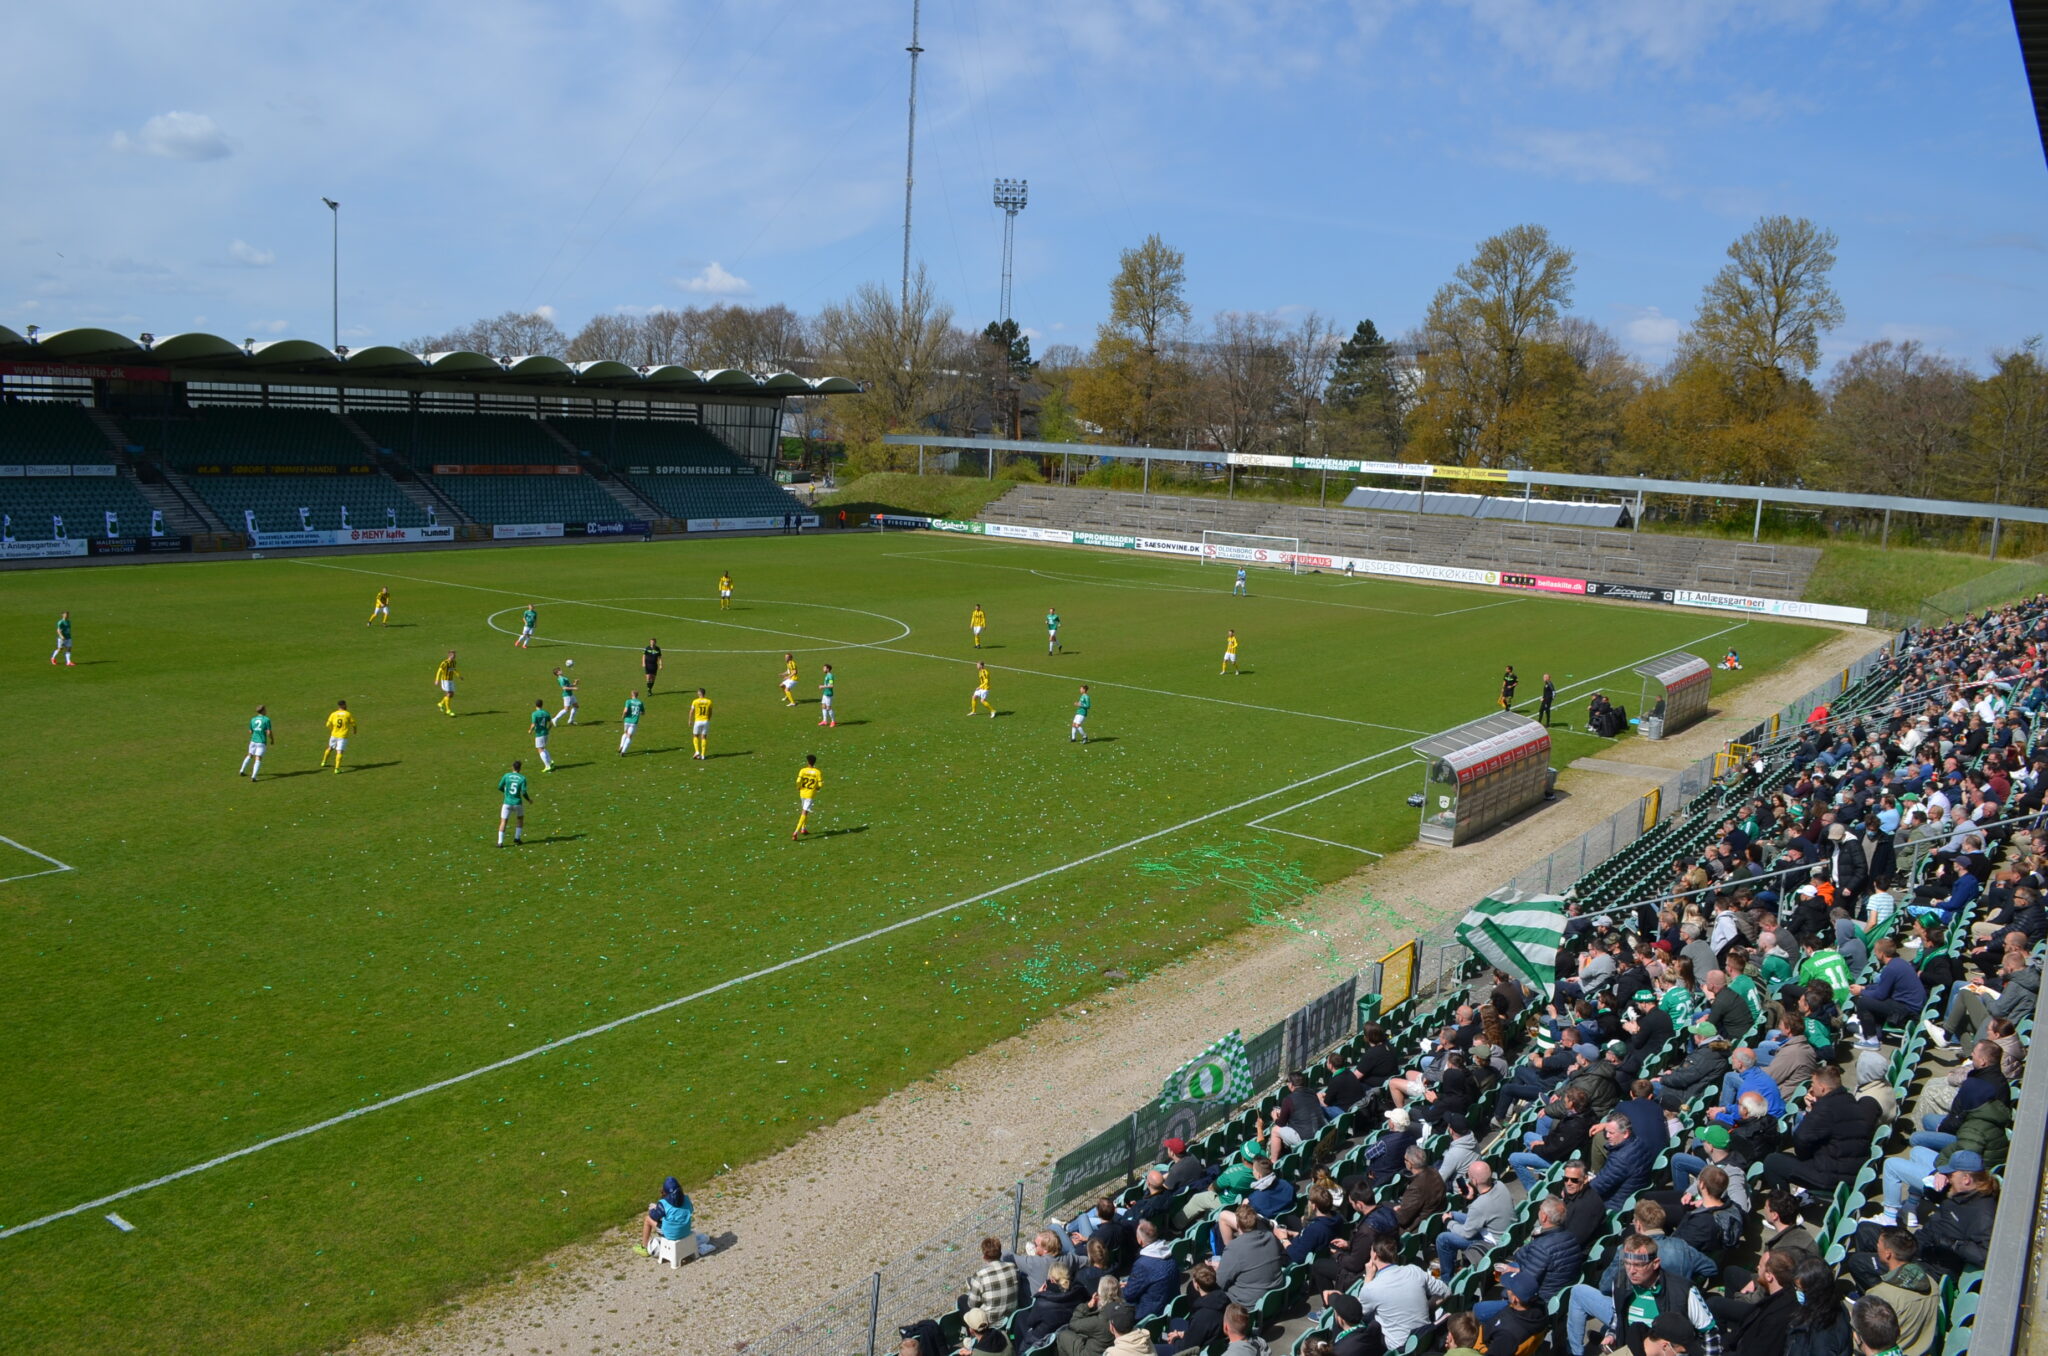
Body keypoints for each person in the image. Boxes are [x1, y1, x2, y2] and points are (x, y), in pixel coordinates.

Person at [1563, 1233, 1719, 1356]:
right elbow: (1618, 1317)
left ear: (1655, 1263)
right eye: (1627, 1263)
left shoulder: (1683, 1291)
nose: (1631, 1271)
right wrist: (1612, 1334)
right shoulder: (1621, 1281)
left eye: (1638, 1265)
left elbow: (1710, 1332)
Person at [1470, 1195, 1584, 1325]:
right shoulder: (1571, 1237)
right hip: (1555, 1287)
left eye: (1540, 1210)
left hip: (1538, 1300)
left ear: (1544, 1217)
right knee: (1512, 1266)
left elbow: (1526, 1283)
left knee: (1478, 1309)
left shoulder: (1542, 1247)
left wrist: (1509, 1282)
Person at [1345, 1236, 1445, 1351]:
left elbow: (1356, 1313)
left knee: (1369, 1323)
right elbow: (1445, 1291)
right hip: (1425, 1336)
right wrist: (1428, 1307)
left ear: (1375, 1256)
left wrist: (1368, 1278)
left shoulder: (1372, 1288)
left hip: (1401, 1347)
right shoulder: (1414, 1270)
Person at [1847, 1231, 1937, 1355]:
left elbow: (1869, 1341)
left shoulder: (1881, 1296)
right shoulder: (1931, 1282)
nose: (1877, 1246)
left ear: (1888, 1254)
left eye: (1879, 1244)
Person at [1433, 1160, 1513, 1277]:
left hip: (1491, 1242)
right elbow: (1485, 1208)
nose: (1468, 1180)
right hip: (1499, 1228)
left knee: (1443, 1238)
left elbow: (1466, 1234)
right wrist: (1473, 1195)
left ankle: (1447, 1279)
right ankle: (1452, 1262)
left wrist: (1448, 1222)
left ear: (1474, 1181)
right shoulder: (1500, 1185)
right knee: (1454, 1214)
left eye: (1468, 1176)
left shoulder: (1479, 1205)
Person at [1213, 1205, 1285, 1306]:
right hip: (1275, 1297)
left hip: (1248, 1304)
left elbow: (1220, 1282)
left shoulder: (1235, 1247)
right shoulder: (1270, 1236)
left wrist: (1218, 1269)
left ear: (1237, 1225)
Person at [1782, 1257, 1851, 1356]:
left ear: (1814, 1292)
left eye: (1801, 1290)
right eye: (1796, 1287)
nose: (1797, 1292)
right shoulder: (1829, 1305)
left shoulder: (1824, 1337)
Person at [1021, 1262, 1089, 1352]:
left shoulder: (1042, 1302)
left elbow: (1030, 1322)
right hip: (1066, 1339)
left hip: (1041, 1343)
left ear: (1052, 1280)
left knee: (1020, 1319)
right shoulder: (1080, 1294)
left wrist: (1039, 1295)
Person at [1159, 1269, 1226, 1356]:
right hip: (1211, 1340)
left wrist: (1176, 1339)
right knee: (1176, 1321)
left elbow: (1187, 1347)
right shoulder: (1224, 1300)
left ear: (1197, 1285)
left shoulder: (1202, 1316)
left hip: (1192, 1350)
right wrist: (1182, 1334)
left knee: (1153, 1348)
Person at [963, 1237, 1022, 1324]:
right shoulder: (1013, 1267)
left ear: (984, 1256)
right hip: (1010, 1318)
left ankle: (971, 1332)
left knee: (962, 1300)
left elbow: (972, 1305)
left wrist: (972, 1287)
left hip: (989, 1322)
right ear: (1000, 1253)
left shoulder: (980, 1276)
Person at [634, 1175, 693, 1255]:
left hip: (671, 1234)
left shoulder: (663, 1203)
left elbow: (653, 1216)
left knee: (647, 1219)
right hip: (686, 1230)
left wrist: (654, 1208)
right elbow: (690, 1209)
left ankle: (644, 1247)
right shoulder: (686, 1198)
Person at [496, 759, 532, 846]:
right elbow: (523, 792)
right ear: (520, 768)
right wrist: (529, 800)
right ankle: (517, 838)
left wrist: (505, 793)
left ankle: (500, 842)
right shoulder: (522, 778)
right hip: (517, 803)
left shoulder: (506, 776)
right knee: (520, 819)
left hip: (507, 803)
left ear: (512, 767)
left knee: (503, 821)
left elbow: (499, 787)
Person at [239, 705, 273, 781]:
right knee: (258, 758)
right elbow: (269, 732)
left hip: (253, 741)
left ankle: (242, 770)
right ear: (263, 711)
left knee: (249, 755)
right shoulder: (266, 719)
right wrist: (272, 739)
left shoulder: (253, 719)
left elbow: (250, 731)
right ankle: (253, 776)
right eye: (265, 710)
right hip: (261, 742)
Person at [321, 698, 356, 773]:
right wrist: (355, 730)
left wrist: (332, 729)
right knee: (339, 752)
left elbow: (328, 724)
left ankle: (323, 762)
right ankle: (336, 769)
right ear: (344, 705)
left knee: (330, 748)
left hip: (334, 734)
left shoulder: (333, 714)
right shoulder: (347, 714)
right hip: (343, 736)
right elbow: (353, 724)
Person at [793, 754, 823, 839]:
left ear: (807, 762)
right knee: (804, 812)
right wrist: (817, 788)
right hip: (810, 795)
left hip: (802, 793)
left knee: (805, 811)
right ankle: (796, 832)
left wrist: (798, 787)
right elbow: (820, 784)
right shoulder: (817, 772)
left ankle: (803, 828)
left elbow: (798, 780)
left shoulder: (802, 770)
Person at [529, 700, 556, 771]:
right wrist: (548, 729)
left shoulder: (534, 714)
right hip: (545, 733)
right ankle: (550, 762)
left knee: (540, 749)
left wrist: (530, 730)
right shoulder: (546, 713)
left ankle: (547, 766)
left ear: (535, 705)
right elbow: (551, 723)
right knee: (543, 748)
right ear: (542, 705)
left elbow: (533, 724)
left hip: (539, 734)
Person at [433, 650, 460, 716]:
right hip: (445, 681)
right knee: (449, 693)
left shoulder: (454, 662)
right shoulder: (444, 663)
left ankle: (441, 703)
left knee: (452, 694)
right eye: (454, 655)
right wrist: (437, 680)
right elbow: (439, 670)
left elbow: (453, 669)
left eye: (455, 655)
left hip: (451, 680)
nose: (455, 656)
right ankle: (448, 710)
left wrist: (459, 676)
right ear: (450, 656)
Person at [690, 688, 713, 760]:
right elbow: (710, 712)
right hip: (706, 721)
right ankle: (703, 755)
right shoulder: (709, 701)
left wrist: (690, 720)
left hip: (698, 721)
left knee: (695, 736)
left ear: (699, 693)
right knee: (704, 737)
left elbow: (691, 711)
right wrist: (708, 719)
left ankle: (697, 751)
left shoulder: (695, 701)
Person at [619, 690, 645, 755]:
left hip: (627, 721)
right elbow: (643, 713)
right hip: (634, 722)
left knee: (625, 733)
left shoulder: (628, 701)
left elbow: (625, 711)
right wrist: (640, 712)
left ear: (632, 695)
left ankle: (621, 745)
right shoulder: (640, 703)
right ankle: (623, 751)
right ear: (637, 695)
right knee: (630, 736)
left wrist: (623, 716)